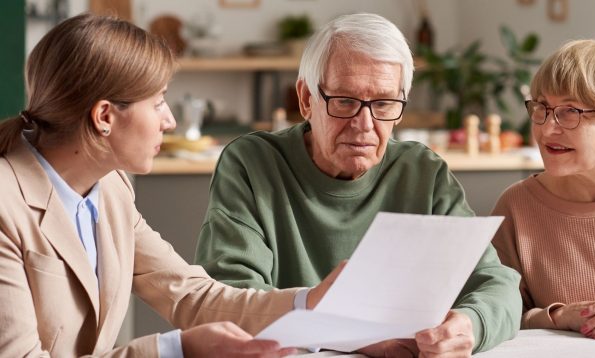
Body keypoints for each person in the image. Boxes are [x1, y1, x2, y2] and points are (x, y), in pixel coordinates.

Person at [0, 14, 340, 357]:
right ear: (104, 116)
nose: (170, 121)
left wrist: (309, 303)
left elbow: (189, 295)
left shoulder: (111, 188)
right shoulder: (5, 204)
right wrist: (173, 350)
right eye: (159, 101)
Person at [195, 13, 521, 356]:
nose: (364, 124)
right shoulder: (252, 163)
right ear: (307, 100)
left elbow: (498, 285)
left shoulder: (422, 172)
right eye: (345, 102)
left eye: (383, 104)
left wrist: (471, 325)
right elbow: (229, 301)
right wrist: (362, 339)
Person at [491, 39, 595, 340]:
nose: (546, 129)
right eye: (542, 107)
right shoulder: (517, 205)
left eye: (570, 111)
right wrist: (557, 316)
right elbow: (494, 313)